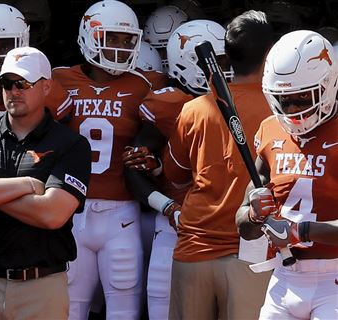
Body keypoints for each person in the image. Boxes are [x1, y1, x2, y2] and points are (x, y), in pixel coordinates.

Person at [0, 46, 91, 320]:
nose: (14, 91)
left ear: (46, 87)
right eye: (7, 84)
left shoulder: (71, 144)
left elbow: (51, 213)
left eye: (23, 83)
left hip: (41, 287)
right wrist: (25, 184)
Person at [162, 10, 275, 319]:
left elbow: (174, 175)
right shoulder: (281, 113)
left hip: (195, 247)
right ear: (270, 55)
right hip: (251, 252)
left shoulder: (194, 108)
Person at [122, 18, 231, 320]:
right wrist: (169, 208)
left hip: (228, 225)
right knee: (164, 306)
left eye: (225, 59)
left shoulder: (241, 99)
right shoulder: (169, 104)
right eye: (217, 60)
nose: (224, 68)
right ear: (187, 62)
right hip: (177, 225)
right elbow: (132, 168)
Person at [52, 1, 151, 318]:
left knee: (124, 307)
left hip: (121, 214)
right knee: (71, 308)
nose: (121, 48)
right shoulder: (58, 79)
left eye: (127, 40)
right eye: (112, 38)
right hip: (71, 210)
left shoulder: (145, 85)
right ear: (89, 36)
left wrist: (149, 155)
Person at [237, 30, 338, 320]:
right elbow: (244, 226)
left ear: (328, 84)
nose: (293, 109)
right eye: (284, 99)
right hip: (285, 277)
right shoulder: (270, 130)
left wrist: (299, 231)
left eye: (302, 97)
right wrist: (254, 213)